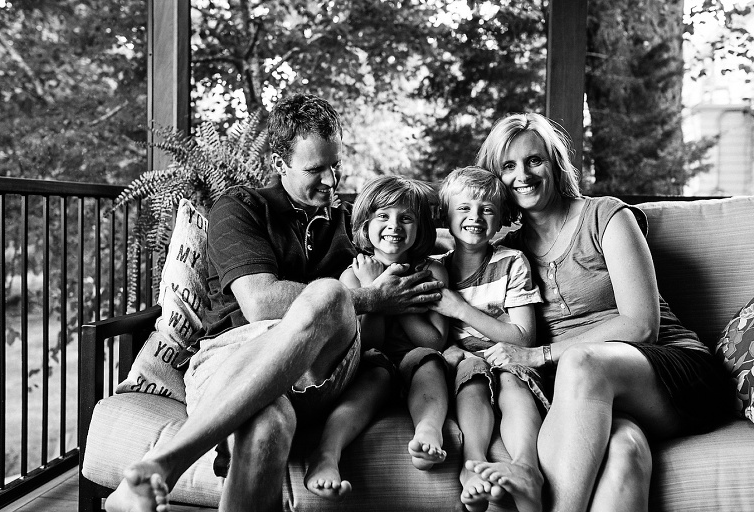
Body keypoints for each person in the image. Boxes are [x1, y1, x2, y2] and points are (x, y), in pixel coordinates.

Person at [103, 94, 444, 512]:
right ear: (279, 164)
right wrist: (374, 298)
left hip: (326, 370)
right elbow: (261, 303)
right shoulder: (241, 208)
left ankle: (164, 463)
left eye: (335, 165)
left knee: (331, 293)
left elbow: (420, 232)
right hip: (230, 359)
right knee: (268, 422)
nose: (331, 180)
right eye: (315, 169)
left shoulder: (354, 223)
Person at [464, 113, 733, 512]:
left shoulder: (606, 216)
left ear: (555, 163)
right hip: (589, 395)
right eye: (508, 166)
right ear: (495, 179)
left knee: (582, 363)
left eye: (534, 160)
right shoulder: (505, 251)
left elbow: (642, 324)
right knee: (626, 449)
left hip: (670, 372)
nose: (523, 174)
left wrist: (540, 355)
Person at [305, 174, 449, 501]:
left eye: (406, 217)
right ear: (366, 225)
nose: (394, 225)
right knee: (374, 372)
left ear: (421, 228)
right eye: (383, 216)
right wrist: (375, 292)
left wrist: (394, 296)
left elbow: (434, 341)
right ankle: (327, 453)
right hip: (374, 365)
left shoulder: (432, 273)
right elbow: (368, 344)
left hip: (417, 361)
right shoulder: (353, 274)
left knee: (429, 362)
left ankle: (428, 432)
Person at [429, 166, 546, 512]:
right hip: (465, 361)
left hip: (510, 354)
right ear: (445, 215)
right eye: (464, 208)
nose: (475, 218)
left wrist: (460, 309)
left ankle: (526, 466)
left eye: (487, 209)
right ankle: (473, 465)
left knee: (513, 376)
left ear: (501, 219)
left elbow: (524, 338)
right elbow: (434, 336)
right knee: (472, 373)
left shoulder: (512, 262)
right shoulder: (436, 269)